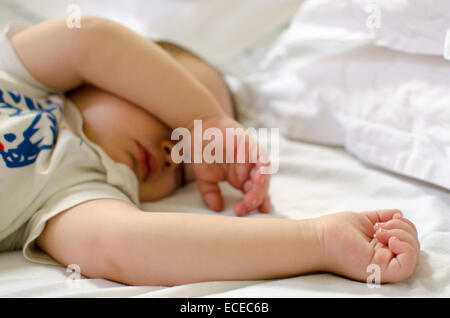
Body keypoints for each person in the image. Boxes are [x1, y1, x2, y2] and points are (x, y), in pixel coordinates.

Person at [0, 16, 420, 286]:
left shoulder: (70, 195)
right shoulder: (19, 74)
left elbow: (129, 246)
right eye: (173, 121)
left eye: (184, 171)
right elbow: (88, 40)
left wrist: (318, 239)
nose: (175, 152)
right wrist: (207, 120)